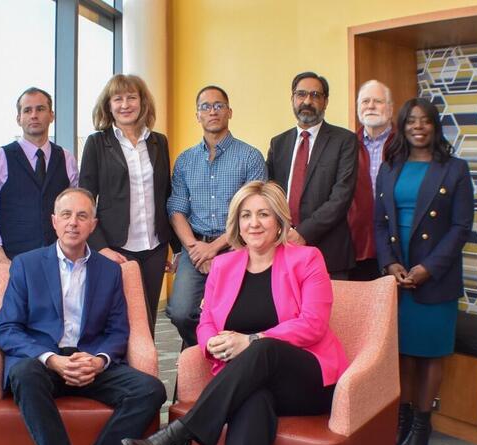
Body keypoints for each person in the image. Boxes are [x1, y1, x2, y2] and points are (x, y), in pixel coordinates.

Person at [124, 181, 348, 445]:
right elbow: (206, 322)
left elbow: (313, 324)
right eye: (246, 215)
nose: (254, 223)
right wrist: (215, 345)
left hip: (307, 378)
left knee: (261, 351)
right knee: (252, 402)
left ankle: (178, 436)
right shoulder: (225, 265)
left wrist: (252, 340)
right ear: (236, 224)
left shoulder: (307, 259)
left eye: (263, 214)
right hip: (252, 382)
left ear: (279, 221)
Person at [0, 188, 166, 445]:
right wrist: (51, 359)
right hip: (45, 364)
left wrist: (98, 359)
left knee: (151, 390)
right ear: (54, 221)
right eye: (66, 214)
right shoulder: (26, 265)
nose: (73, 222)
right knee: (23, 374)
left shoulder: (109, 270)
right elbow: (5, 328)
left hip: (89, 361)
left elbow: (120, 330)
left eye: (82, 216)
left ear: (93, 224)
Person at [374, 97, 474, 445]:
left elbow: (461, 228)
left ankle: (421, 423)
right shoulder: (389, 168)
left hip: (436, 275)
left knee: (430, 353)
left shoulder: (455, 169)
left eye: (425, 120)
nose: (418, 126)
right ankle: (400, 418)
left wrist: (427, 268)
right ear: (401, 127)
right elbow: (380, 223)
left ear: (435, 126)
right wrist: (389, 265)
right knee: (400, 353)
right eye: (411, 121)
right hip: (397, 275)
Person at [166, 85, 267, 347]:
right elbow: (176, 209)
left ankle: (223, 363)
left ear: (230, 112)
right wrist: (195, 248)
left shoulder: (250, 156)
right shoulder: (185, 160)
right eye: (205, 107)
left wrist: (213, 248)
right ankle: (203, 355)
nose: (212, 111)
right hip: (195, 247)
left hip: (236, 246)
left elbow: (254, 210)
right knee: (180, 311)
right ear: (197, 115)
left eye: (219, 105)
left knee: (233, 313)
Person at [80, 74, 177, 333]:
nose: (125, 104)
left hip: (154, 247)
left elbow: (166, 194)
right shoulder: (97, 143)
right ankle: (118, 373)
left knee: (147, 321)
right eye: (118, 98)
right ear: (108, 105)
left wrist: (175, 248)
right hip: (116, 248)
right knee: (117, 320)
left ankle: (145, 373)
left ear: (142, 102)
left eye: (131, 97)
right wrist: (101, 249)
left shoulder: (159, 141)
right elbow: (85, 201)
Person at [266, 72, 358, 279]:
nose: (307, 101)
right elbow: (269, 192)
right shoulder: (278, 144)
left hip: (329, 253)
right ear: (292, 99)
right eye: (301, 94)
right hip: (282, 249)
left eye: (315, 95)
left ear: (325, 101)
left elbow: (341, 197)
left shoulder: (344, 140)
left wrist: (303, 233)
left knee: (332, 312)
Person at [0, 87, 79, 264]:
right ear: (19, 119)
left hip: (60, 259)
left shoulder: (66, 158)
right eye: (27, 110)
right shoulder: (1, 158)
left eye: (40, 109)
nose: (34, 115)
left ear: (51, 115)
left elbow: (75, 210)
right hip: (14, 260)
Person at [349, 80, 395, 281]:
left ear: (391, 108)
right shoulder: (346, 145)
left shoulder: (405, 145)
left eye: (378, 101)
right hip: (357, 246)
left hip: (397, 246)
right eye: (365, 101)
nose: (370, 106)